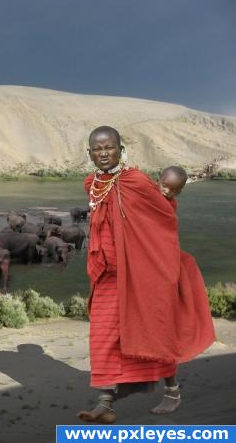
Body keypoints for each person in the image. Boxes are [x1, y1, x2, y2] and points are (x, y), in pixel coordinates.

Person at [77, 126, 215, 424]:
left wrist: (163, 264)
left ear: (120, 148)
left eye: (109, 147)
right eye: (97, 149)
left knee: (151, 331)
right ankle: (105, 402)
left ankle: (173, 392)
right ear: (89, 153)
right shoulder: (92, 183)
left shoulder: (136, 181)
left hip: (138, 273)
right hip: (108, 277)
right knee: (103, 337)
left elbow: (163, 215)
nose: (103, 153)